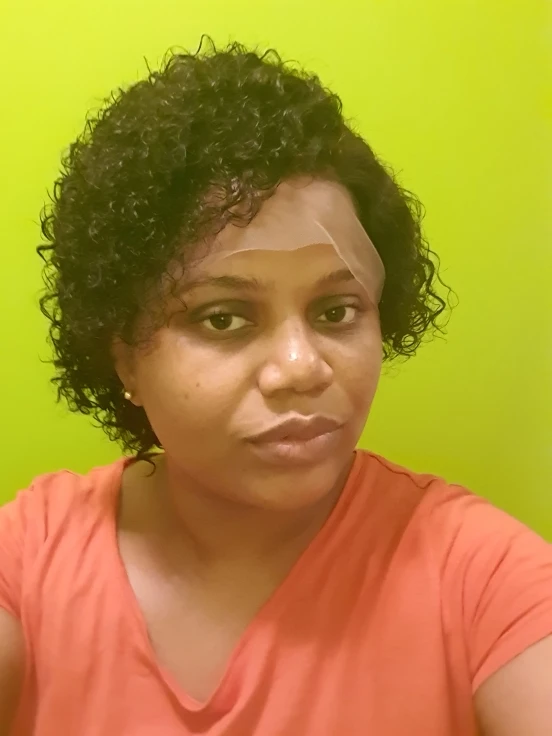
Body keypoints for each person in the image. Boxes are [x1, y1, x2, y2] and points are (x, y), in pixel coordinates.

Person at [0, 38, 550, 736]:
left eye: (336, 312)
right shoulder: (33, 560)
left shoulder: (480, 579)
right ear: (125, 358)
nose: (301, 367)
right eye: (223, 318)